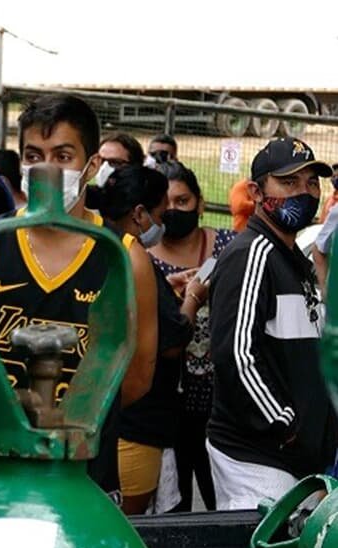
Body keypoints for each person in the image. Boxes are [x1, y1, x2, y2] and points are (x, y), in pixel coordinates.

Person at [0, 94, 158, 497]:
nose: (46, 167)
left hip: (82, 478)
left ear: (92, 165)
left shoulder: (124, 258)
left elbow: (134, 380)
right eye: (33, 155)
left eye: (63, 156)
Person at [207, 137, 337, 510]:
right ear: (256, 191)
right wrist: (286, 424)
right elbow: (235, 355)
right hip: (258, 462)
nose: (304, 192)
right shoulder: (253, 255)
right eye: (289, 182)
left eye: (312, 183)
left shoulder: (293, 259)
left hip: (292, 462)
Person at [91, 165, 195, 514]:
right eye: (162, 211)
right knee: (127, 528)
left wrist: (167, 287)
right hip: (135, 428)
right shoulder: (132, 258)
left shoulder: (96, 249)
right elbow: (170, 342)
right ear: (139, 214)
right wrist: (192, 297)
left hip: (114, 425)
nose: (166, 220)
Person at [147, 161, 235, 511]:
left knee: (223, 496)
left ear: (200, 203)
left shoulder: (229, 246)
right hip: (171, 402)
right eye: (165, 204)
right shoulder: (145, 263)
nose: (173, 210)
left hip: (224, 399)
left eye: (182, 201)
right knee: (177, 497)